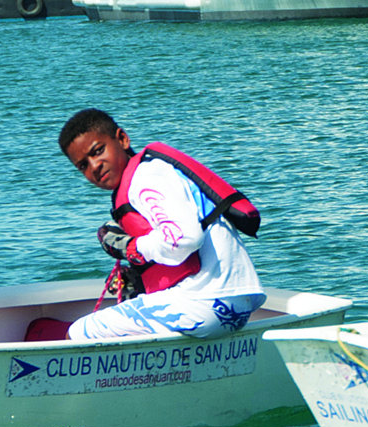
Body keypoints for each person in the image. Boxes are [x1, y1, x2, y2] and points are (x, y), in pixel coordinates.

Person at [58, 108, 265, 340]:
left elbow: (185, 238)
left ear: (122, 139)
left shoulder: (146, 179)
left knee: (77, 333)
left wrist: (132, 249)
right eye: (83, 165)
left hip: (206, 303)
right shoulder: (153, 171)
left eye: (98, 151)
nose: (94, 166)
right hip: (236, 302)